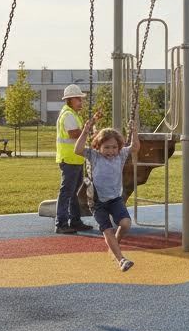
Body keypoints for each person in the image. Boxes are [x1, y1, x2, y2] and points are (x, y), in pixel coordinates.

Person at [75, 114, 140, 271]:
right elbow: (77, 149)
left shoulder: (121, 155)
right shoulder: (94, 156)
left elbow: (135, 148)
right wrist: (85, 131)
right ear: (98, 147)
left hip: (115, 199)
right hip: (97, 202)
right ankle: (121, 260)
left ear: (118, 147)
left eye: (114, 147)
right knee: (107, 230)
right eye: (107, 147)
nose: (111, 151)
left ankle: (114, 245)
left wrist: (134, 132)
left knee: (125, 224)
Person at [54, 84, 93, 234]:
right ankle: (61, 223)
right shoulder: (68, 115)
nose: (81, 101)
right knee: (67, 192)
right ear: (70, 99)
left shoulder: (73, 114)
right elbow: (73, 134)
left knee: (74, 192)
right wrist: (87, 130)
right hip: (69, 159)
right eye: (78, 99)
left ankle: (75, 220)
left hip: (75, 159)